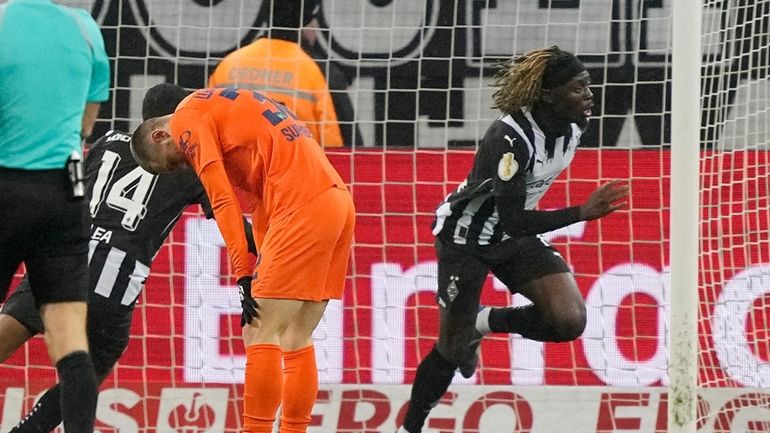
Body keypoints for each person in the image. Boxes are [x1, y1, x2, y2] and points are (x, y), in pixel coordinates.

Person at [397, 46, 630, 433]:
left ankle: (482, 323)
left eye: (588, 85)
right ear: (547, 95)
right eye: (578, 88)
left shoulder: (576, 123)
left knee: (569, 320)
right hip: (466, 237)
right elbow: (515, 219)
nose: (589, 95)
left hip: (510, 236)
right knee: (451, 350)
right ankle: (410, 427)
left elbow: (514, 224)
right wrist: (580, 213)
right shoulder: (509, 139)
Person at [0, 83, 257, 433]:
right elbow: (234, 228)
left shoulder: (106, 142)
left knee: (10, 330)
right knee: (84, 376)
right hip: (113, 287)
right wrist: (275, 245)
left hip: (64, 264)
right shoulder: (190, 167)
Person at [130, 86, 355, 433]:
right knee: (297, 336)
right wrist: (263, 253)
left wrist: (242, 274)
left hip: (301, 208)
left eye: (174, 161)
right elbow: (258, 195)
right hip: (336, 201)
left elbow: (222, 200)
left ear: (161, 134)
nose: (183, 165)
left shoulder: (187, 121)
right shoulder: (221, 102)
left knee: (258, 331)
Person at [0, 1, 110, 432]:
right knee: (71, 343)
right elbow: (86, 125)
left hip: (6, 188)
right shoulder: (85, 27)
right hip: (65, 196)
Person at [208, 0, 347, 147]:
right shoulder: (314, 71)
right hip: (292, 166)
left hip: (232, 166)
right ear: (307, 19)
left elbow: (206, 125)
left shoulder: (228, 65)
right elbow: (331, 144)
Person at [300, 18, 364, 146]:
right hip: (310, 157)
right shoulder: (322, 70)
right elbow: (346, 124)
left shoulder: (250, 57)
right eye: (312, 22)